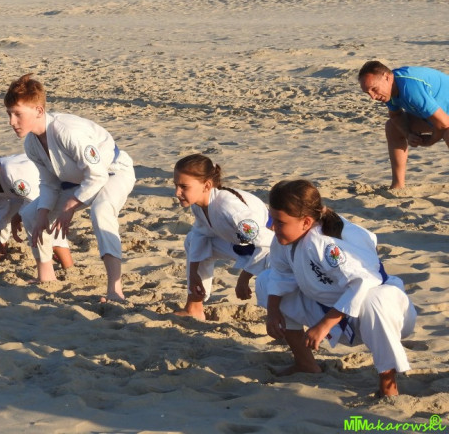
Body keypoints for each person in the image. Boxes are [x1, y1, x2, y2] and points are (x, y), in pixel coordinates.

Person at [256, 179, 416, 397]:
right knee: (265, 281)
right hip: (329, 306)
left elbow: (364, 281)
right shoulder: (287, 237)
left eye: (279, 222)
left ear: (306, 222)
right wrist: (273, 312)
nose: (272, 227)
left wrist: (324, 325)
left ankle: (388, 385)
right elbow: (280, 275)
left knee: (376, 299)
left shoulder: (325, 244)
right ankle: (305, 363)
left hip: (384, 316)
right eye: (272, 218)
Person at [4, 74, 135, 301]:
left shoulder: (67, 131)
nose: (12, 122)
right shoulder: (31, 143)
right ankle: (46, 275)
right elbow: (49, 182)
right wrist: (44, 213)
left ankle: (115, 289)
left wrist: (70, 206)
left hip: (113, 172)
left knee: (101, 211)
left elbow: (98, 175)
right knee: (31, 213)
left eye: (17, 114)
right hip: (77, 181)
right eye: (9, 114)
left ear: (38, 110)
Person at [172, 154, 274, 320]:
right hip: (240, 245)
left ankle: (283, 321)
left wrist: (244, 278)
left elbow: (268, 243)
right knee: (193, 240)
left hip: (274, 250)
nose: (177, 192)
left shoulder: (230, 209)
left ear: (207, 185)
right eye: (176, 185)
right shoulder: (198, 204)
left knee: (269, 279)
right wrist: (193, 275)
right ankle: (194, 306)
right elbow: (200, 235)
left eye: (184, 186)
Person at [0, 151, 74, 269]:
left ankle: (67, 265)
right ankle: (2, 246)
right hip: (34, 195)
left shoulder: (12, 174)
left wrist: (17, 217)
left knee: (41, 223)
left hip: (60, 187)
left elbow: (37, 200)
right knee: (9, 213)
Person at [358, 60, 449, 189]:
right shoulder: (389, 90)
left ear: (387, 77)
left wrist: (430, 141)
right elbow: (396, 115)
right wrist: (408, 134)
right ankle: (397, 186)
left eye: (374, 89)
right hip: (438, 117)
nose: (372, 97)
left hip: (444, 119)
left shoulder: (410, 87)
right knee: (392, 127)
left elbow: (444, 124)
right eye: (367, 93)